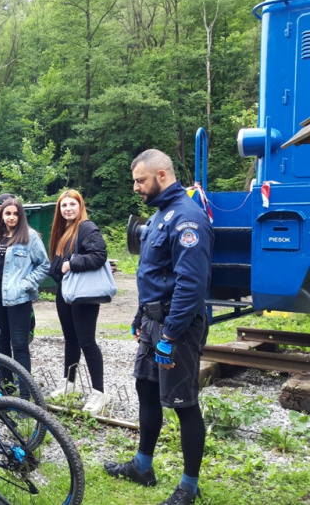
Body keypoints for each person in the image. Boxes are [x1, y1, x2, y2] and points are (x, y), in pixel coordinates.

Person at [104, 149, 213, 505]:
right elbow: (153, 274)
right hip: (154, 321)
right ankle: (142, 466)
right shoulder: (161, 215)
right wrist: (141, 316)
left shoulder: (187, 218)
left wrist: (170, 335)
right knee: (147, 391)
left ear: (162, 175)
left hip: (176, 326)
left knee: (183, 403)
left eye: (140, 180)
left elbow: (190, 285)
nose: (136, 187)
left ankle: (189, 488)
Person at [47, 189, 110, 415]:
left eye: (72, 204)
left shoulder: (87, 227)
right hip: (66, 292)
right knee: (71, 340)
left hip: (83, 294)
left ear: (80, 206)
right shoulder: (64, 229)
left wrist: (71, 264)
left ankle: (99, 393)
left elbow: (99, 255)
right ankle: (69, 383)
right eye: (64, 205)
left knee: (87, 342)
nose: (68, 209)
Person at [0, 197, 49, 393]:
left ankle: (26, 394)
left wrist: (25, 284)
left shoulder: (30, 236)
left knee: (19, 345)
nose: (11, 217)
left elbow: (44, 265)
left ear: (21, 216)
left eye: (15, 214)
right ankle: (7, 389)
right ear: (1, 215)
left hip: (18, 297)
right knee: (1, 342)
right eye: (7, 213)